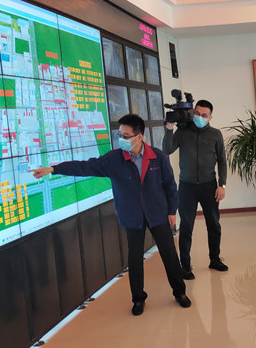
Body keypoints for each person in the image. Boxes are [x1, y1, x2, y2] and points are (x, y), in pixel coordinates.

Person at [29, 114, 190, 315]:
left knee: (169, 255)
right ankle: (138, 299)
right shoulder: (114, 159)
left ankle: (180, 292)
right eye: (119, 135)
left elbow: (170, 186)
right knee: (135, 259)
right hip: (132, 216)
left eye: (126, 136)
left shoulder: (158, 157)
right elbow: (85, 166)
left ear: (139, 137)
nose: (121, 139)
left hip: (157, 214)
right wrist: (54, 169)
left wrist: (172, 211)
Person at [163, 100, 228, 279]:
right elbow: (167, 149)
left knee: (214, 224)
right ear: (193, 113)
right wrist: (169, 129)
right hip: (187, 187)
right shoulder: (183, 132)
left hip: (209, 186)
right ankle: (185, 265)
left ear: (210, 118)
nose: (200, 117)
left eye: (204, 115)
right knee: (186, 226)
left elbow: (222, 160)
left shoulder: (215, 134)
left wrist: (222, 185)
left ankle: (215, 259)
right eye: (197, 113)